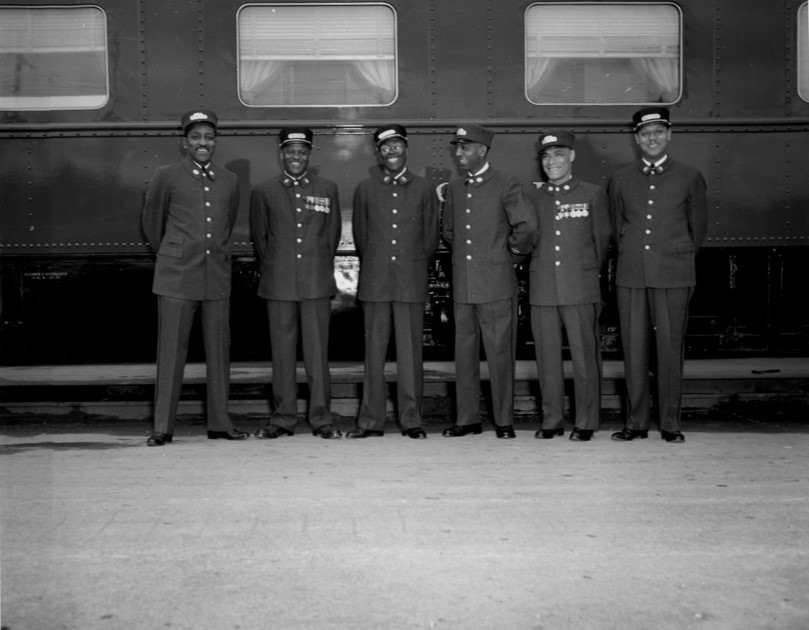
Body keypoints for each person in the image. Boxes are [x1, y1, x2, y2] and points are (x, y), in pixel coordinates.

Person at [141, 109, 248, 446]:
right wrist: (175, 252)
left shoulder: (229, 180)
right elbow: (152, 224)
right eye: (196, 137)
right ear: (184, 142)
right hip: (176, 275)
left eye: (209, 137)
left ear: (215, 141)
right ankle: (163, 428)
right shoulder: (166, 175)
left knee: (219, 351)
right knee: (171, 352)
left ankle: (219, 423)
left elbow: (226, 224)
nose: (203, 143)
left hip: (214, 274)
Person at [607, 107, 708, 443]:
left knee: (669, 349)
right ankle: (635, 423)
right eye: (645, 134)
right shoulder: (621, 178)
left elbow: (698, 231)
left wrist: (672, 258)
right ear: (636, 139)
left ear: (669, 135)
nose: (652, 138)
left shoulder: (688, 175)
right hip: (632, 274)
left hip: (673, 274)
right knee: (633, 350)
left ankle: (670, 423)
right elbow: (617, 225)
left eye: (658, 132)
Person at [441, 124, 536, 439]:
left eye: (465, 147)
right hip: (465, 284)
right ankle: (467, 419)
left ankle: (504, 420)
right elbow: (450, 232)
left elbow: (526, 227)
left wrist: (508, 257)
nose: (459, 153)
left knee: (499, 354)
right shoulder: (455, 187)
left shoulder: (506, 182)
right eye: (458, 147)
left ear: (482, 149)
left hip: (496, 282)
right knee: (464, 354)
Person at [250, 127, 343, 439]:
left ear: (310, 154)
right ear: (281, 154)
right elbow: (261, 240)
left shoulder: (327, 188)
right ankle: (283, 419)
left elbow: (330, 238)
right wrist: (280, 268)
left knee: (318, 355)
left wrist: (313, 268)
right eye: (290, 151)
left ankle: (321, 418)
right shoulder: (264, 191)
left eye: (302, 152)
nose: (296, 157)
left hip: (316, 283)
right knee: (283, 355)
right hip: (279, 284)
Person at [349, 124, 440, 440]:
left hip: (409, 281)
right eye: (384, 146)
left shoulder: (424, 188)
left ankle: (411, 420)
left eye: (396, 145)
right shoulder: (365, 189)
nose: (391, 151)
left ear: (406, 148)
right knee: (373, 355)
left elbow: (429, 240)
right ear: (378, 152)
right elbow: (362, 237)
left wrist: (410, 266)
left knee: (410, 354)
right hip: (375, 282)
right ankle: (370, 421)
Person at [526, 130, 611, 442]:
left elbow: (601, 243)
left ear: (572, 156)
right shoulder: (534, 196)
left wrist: (586, 274)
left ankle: (586, 422)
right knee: (547, 358)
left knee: (584, 357)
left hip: (580, 286)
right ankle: (552, 420)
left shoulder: (592, 194)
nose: (552, 161)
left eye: (559, 154)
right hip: (543, 287)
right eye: (546, 156)